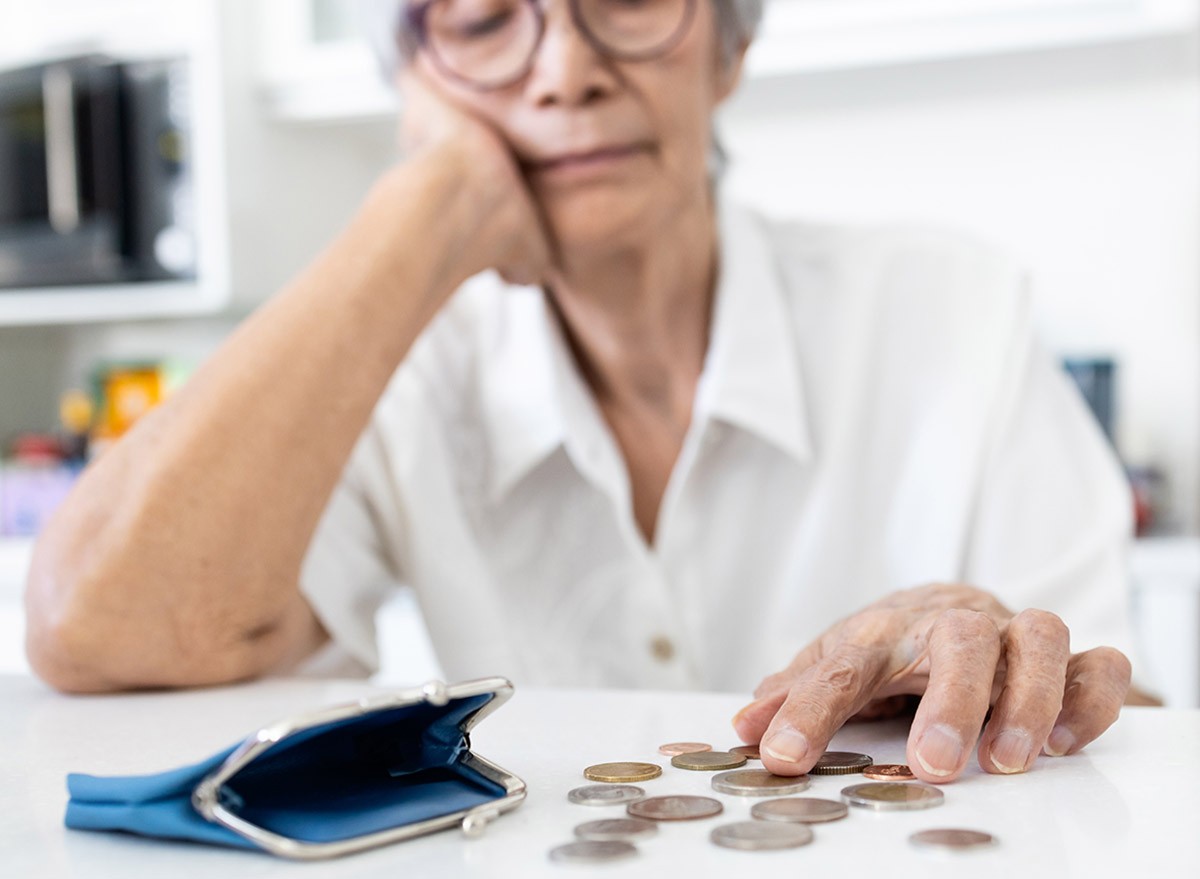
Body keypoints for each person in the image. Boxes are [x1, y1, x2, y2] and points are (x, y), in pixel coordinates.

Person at [24, 0, 1150, 786]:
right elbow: (93, 632)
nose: (564, 67)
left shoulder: (954, 307)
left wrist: (998, 664)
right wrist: (423, 209)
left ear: (729, 43)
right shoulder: (400, 371)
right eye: (478, 19)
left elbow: (1141, 738)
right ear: (412, 83)